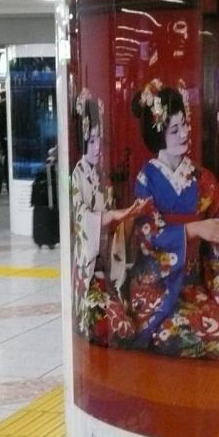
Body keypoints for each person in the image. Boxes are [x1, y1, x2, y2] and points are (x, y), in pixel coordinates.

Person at [126, 80, 219, 358]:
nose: (185, 133)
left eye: (185, 124)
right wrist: (195, 228)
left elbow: (216, 226)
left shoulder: (202, 178)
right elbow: (149, 236)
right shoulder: (146, 180)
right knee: (192, 339)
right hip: (157, 289)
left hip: (192, 285)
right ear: (158, 134)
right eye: (174, 130)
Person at [71, 95, 147, 345]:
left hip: (107, 265)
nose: (96, 147)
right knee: (116, 327)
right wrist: (113, 215)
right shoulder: (77, 176)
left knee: (130, 322)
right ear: (82, 141)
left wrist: (128, 217)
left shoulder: (101, 175)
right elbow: (81, 217)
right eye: (91, 141)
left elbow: (114, 219)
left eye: (99, 140)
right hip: (89, 267)